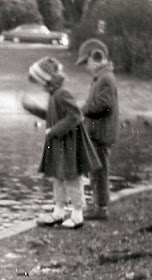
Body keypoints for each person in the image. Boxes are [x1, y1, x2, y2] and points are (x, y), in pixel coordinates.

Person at [22, 57, 101, 229]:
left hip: (68, 144)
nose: (39, 86)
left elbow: (76, 116)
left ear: (47, 80)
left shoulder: (62, 94)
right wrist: (34, 109)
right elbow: (53, 115)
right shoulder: (53, 96)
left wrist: (54, 130)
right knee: (57, 178)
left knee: (70, 178)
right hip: (58, 144)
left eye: (39, 82)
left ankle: (77, 214)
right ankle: (58, 212)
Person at [76, 38, 119, 221]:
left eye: (87, 62)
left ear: (96, 56)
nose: (86, 67)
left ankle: (101, 208)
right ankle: (98, 205)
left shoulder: (105, 79)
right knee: (95, 171)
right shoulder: (101, 79)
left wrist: (83, 109)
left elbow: (104, 105)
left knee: (99, 172)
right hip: (96, 133)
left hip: (101, 134)